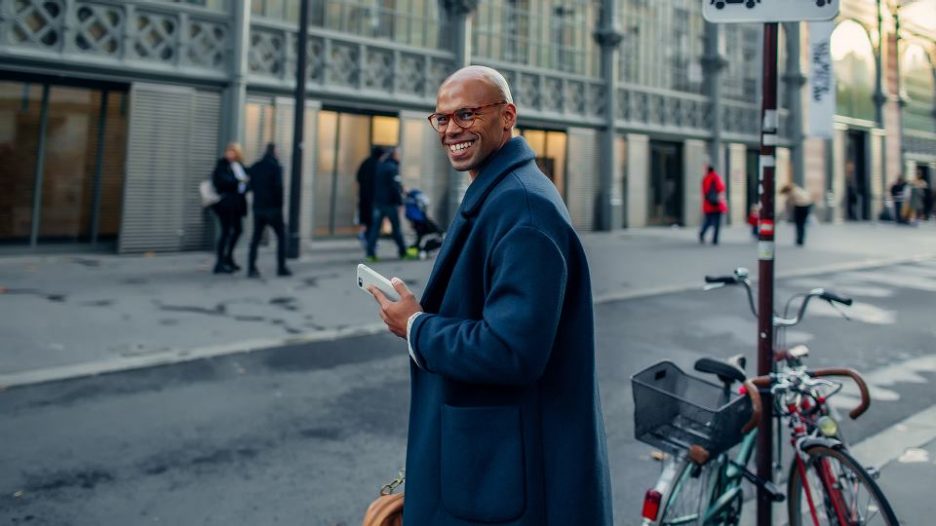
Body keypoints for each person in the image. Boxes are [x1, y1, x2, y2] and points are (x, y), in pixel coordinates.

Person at [366, 66, 613, 525]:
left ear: (508, 116)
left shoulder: (523, 207)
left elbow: (512, 351)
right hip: (493, 466)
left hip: (507, 480)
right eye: (441, 118)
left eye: (466, 113)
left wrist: (417, 327)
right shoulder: (501, 192)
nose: (451, 129)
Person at [246, 143, 291, 278]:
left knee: (255, 238)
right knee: (281, 237)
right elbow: (279, 188)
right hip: (273, 209)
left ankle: (251, 268)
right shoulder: (276, 167)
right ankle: (281, 267)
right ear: (274, 152)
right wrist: (279, 206)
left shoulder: (256, 166)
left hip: (258, 208)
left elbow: (250, 185)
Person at [211, 143, 249, 274]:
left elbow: (247, 181)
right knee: (226, 232)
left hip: (238, 204)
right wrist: (238, 181)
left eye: (233, 151)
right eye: (229, 151)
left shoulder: (240, 166)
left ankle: (229, 257)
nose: (230, 153)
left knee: (238, 230)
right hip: (226, 204)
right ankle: (219, 263)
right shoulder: (222, 165)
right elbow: (221, 181)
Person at [364, 147, 408, 261]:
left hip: (378, 202)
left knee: (375, 229)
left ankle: (370, 254)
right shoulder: (392, 168)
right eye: (398, 154)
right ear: (393, 155)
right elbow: (394, 187)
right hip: (389, 203)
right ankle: (403, 251)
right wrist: (400, 202)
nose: (399, 156)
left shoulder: (380, 166)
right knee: (396, 228)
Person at [356, 146, 383, 248]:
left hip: (363, 196)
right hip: (373, 198)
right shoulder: (378, 165)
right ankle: (370, 242)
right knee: (373, 222)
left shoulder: (365, 162)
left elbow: (358, 177)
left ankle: (366, 237)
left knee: (365, 219)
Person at [699, 164, 727, 245]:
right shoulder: (716, 177)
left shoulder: (705, 179)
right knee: (717, 223)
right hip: (717, 204)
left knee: (708, 221)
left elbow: (704, 191)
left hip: (708, 204)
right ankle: (715, 239)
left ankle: (702, 233)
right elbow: (721, 188)